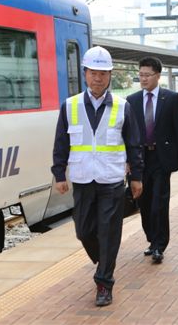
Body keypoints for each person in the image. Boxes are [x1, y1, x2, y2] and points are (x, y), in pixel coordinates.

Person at [51, 46, 144, 307]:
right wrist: (59, 172)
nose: (98, 78)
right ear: (85, 74)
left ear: (110, 76)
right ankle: (103, 261)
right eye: (94, 72)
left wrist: (136, 176)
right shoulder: (69, 106)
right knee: (83, 231)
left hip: (111, 180)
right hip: (82, 178)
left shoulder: (123, 107)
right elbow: (61, 143)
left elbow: (134, 144)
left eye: (103, 73)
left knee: (109, 232)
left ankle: (104, 282)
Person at [126, 56, 178, 264]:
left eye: (147, 75)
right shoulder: (132, 100)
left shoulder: (171, 98)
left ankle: (160, 245)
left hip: (161, 159)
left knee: (159, 204)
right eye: (141, 75)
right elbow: (127, 134)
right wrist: (127, 160)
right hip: (140, 159)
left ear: (158, 76)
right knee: (143, 203)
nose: (143, 79)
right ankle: (152, 240)